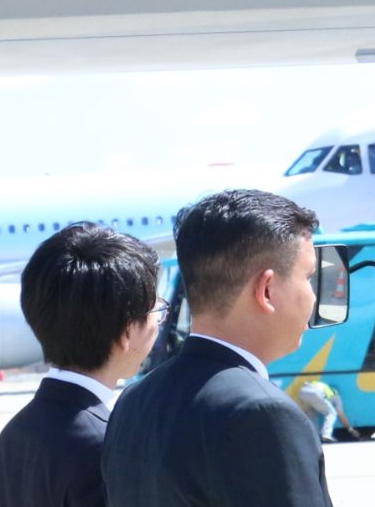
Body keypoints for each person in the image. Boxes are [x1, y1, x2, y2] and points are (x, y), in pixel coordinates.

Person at [103, 190, 332, 507]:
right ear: (266, 290)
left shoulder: (134, 400)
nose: (313, 296)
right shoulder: (263, 412)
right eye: (308, 276)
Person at [0, 222, 163, 507]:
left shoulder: (15, 434)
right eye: (158, 310)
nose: (158, 325)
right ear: (127, 332)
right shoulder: (106, 445)